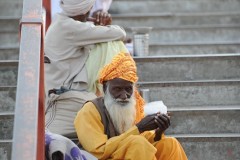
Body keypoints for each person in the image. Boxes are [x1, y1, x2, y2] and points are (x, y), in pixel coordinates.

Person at [74, 52, 188, 160]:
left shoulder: (132, 108)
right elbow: (98, 151)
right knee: (137, 144)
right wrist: (139, 128)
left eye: (128, 89)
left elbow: (144, 138)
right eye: (117, 89)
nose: (124, 96)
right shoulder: (89, 111)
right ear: (105, 88)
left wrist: (158, 132)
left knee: (170, 143)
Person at [44, 0, 128, 138]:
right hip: (63, 100)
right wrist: (103, 24)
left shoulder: (61, 22)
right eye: (90, 9)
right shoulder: (70, 28)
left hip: (71, 94)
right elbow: (119, 33)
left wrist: (96, 25)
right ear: (86, 10)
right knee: (112, 44)